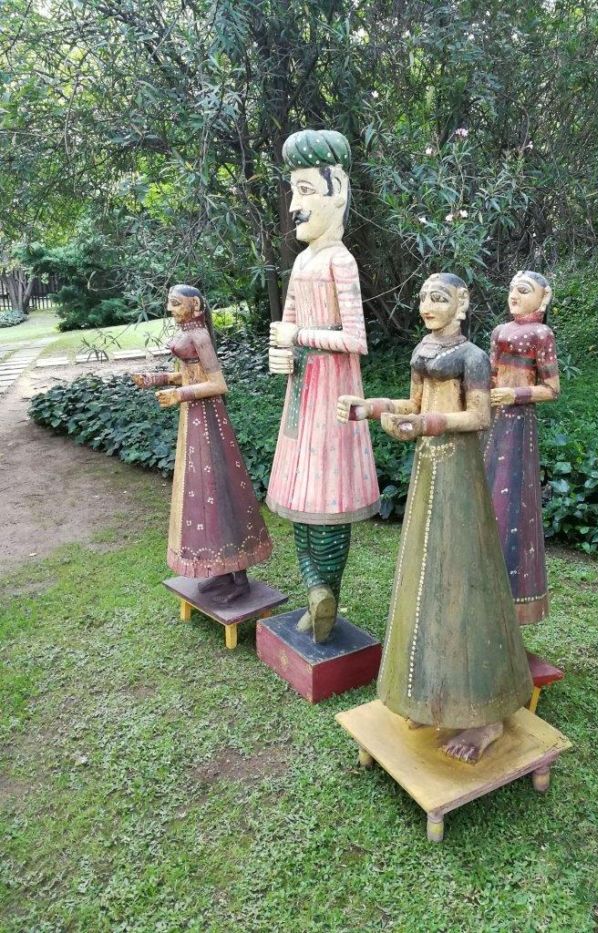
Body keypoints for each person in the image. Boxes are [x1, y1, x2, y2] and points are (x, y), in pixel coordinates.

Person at [338, 273, 532, 763]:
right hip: (429, 472)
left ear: (461, 305)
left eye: (439, 298)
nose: (427, 305)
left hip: (460, 478)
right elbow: (414, 404)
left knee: (462, 576)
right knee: (425, 579)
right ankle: (431, 696)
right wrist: (371, 408)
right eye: (423, 297)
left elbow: (480, 417)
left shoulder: (471, 357)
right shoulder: (422, 352)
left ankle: (484, 715)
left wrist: (428, 424)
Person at [266, 129, 380, 643]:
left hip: (333, 394)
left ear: (339, 193)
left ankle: (322, 590)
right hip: (301, 394)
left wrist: (300, 336)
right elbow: (286, 323)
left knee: (329, 495)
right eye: (294, 191)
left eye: (307, 190)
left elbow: (356, 337)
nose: (295, 204)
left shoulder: (340, 259)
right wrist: (282, 348)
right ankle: (317, 592)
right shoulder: (301, 261)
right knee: (302, 494)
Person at [132, 284, 272, 604]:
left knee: (217, 490)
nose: (170, 309)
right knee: (203, 493)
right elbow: (188, 374)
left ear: (194, 305)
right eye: (169, 303)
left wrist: (179, 395)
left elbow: (217, 383)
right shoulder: (189, 334)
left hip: (209, 422)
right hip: (194, 421)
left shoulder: (201, 337)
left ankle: (239, 577)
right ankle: (223, 571)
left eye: (175, 303)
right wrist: (153, 380)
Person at [484, 270, 560, 624]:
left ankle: (514, 596)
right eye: (512, 287)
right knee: (487, 492)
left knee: (514, 500)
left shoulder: (542, 334)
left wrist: (516, 394)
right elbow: (488, 377)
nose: (514, 294)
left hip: (519, 426)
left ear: (542, 298)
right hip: (493, 422)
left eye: (524, 290)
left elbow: (552, 389)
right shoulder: (500, 332)